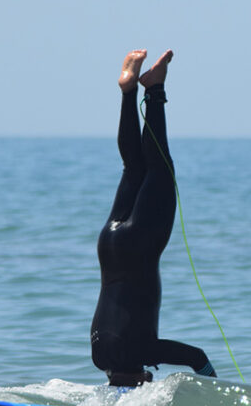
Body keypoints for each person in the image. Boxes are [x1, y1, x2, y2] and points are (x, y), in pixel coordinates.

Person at [90, 49, 217, 387]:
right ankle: (132, 90)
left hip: (138, 247)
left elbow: (198, 358)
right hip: (111, 243)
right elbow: (136, 368)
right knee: (136, 168)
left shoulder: (142, 351)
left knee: (160, 170)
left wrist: (217, 391)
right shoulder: (100, 356)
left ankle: (154, 89)